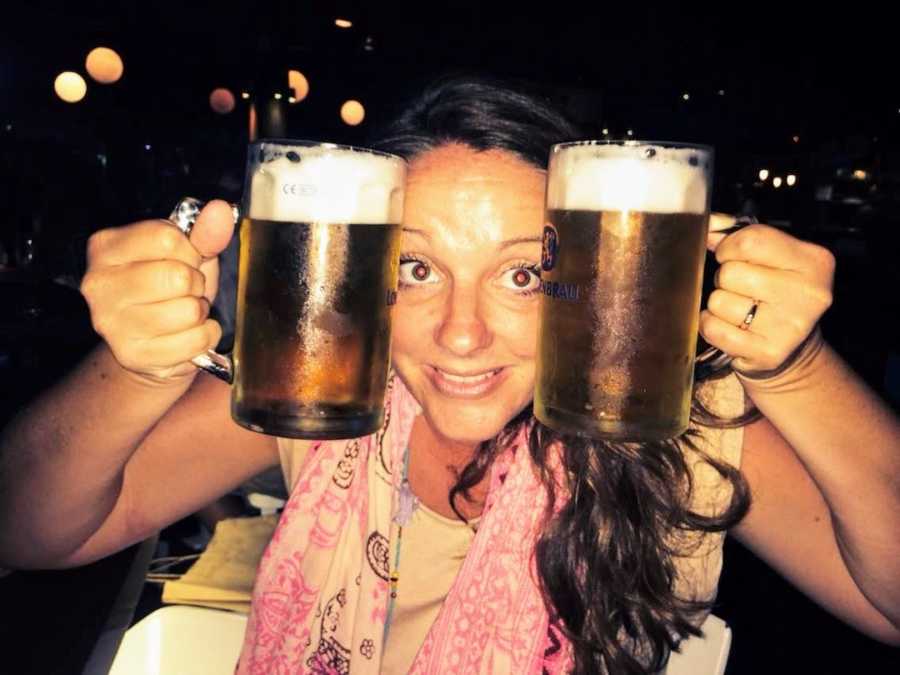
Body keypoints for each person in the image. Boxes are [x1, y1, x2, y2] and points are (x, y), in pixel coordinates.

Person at [1, 77, 898, 675]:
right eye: (417, 269)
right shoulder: (330, 387)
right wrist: (135, 366)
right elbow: (30, 528)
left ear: (597, 274)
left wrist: (797, 368)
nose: (461, 335)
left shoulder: (667, 426)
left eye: (522, 275)